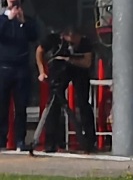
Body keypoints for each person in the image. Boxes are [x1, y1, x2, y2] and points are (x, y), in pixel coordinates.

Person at [35, 24, 96, 154]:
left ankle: (89, 141)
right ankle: (51, 142)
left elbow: (87, 62)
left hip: (79, 70)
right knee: (54, 102)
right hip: (59, 70)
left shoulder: (85, 42)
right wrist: (42, 71)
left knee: (83, 103)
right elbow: (39, 51)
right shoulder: (53, 39)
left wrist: (68, 59)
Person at [0, 0, 40, 150]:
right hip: (4, 68)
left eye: (16, 2)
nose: (14, 5)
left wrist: (22, 22)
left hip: (21, 69)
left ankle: (20, 140)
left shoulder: (27, 21)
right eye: (11, 2)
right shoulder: (2, 20)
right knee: (2, 106)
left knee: (21, 107)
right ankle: (1, 139)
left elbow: (34, 36)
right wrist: (8, 19)